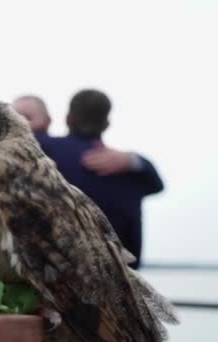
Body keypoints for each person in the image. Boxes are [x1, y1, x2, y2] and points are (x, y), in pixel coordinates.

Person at [36, 89, 164, 269]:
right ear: (106, 124)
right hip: (119, 274)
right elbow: (158, 185)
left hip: (56, 270)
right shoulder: (131, 172)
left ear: (68, 119)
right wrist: (134, 160)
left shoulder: (45, 151)